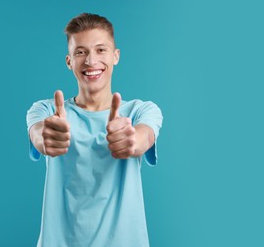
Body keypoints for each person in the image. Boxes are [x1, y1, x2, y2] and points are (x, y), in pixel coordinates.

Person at [26, 13, 163, 247]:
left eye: (101, 50)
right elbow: (39, 133)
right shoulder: (46, 110)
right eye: (80, 52)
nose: (90, 61)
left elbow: (144, 136)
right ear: (69, 61)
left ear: (115, 56)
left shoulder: (141, 111)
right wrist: (45, 136)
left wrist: (132, 140)